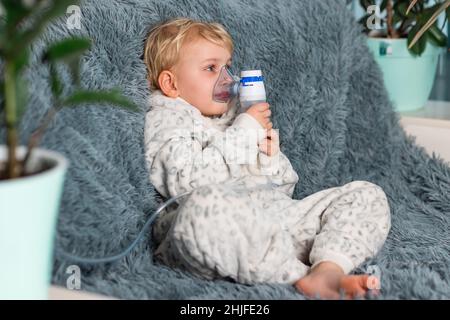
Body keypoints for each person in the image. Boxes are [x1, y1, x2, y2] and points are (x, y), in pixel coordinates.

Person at [143, 18, 391, 299]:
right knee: (204, 208)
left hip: (274, 223)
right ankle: (301, 276)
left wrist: (269, 160)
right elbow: (186, 183)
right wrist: (244, 131)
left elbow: (285, 192)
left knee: (367, 194)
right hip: (220, 232)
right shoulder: (167, 122)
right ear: (171, 83)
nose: (227, 79)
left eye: (227, 66)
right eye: (211, 68)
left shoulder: (237, 116)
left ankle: (329, 268)